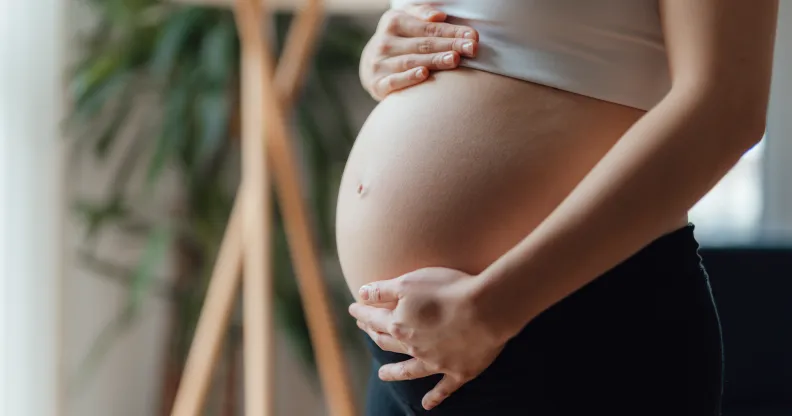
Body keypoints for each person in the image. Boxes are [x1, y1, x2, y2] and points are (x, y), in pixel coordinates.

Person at [336, 1, 778, 415]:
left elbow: (727, 106)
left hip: (575, 335)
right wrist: (379, 56)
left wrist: (491, 310)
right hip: (411, 348)